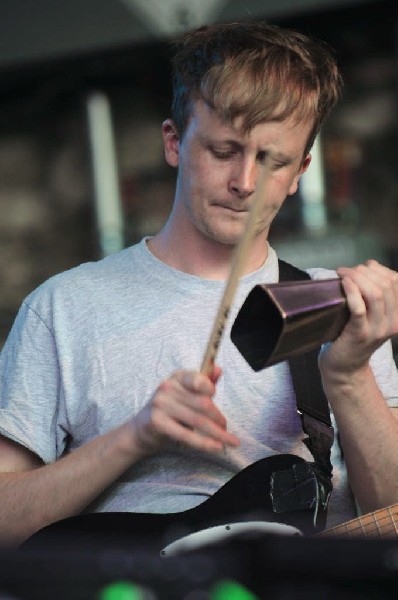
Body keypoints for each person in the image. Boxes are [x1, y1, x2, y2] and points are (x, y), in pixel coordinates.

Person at [0, 20, 398, 550]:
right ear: (174, 142)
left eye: (272, 161)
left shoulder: (335, 307)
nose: (246, 183)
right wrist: (135, 437)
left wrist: (347, 376)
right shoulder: (64, 306)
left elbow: (390, 522)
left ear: (301, 170)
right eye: (224, 151)